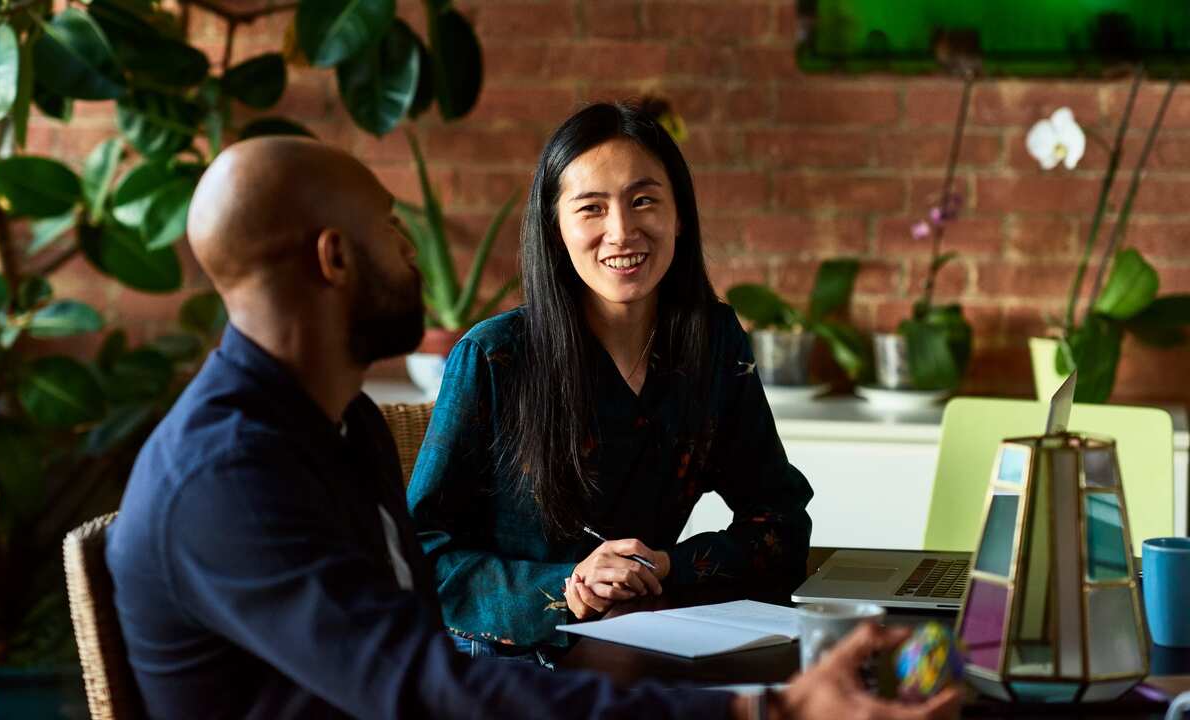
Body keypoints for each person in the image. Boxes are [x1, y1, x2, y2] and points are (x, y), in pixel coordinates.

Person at [104, 135, 959, 720]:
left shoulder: (340, 426)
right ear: (334, 257)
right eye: (393, 230)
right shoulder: (226, 481)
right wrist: (760, 710)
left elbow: (417, 662)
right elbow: (420, 684)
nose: (411, 253)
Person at [407, 102, 813, 661]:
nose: (622, 232)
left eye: (643, 200)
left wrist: (667, 565)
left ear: (680, 216)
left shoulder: (711, 340)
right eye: (591, 209)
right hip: (507, 666)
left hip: (650, 649)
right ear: (556, 230)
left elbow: (781, 523)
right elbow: (418, 557)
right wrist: (568, 585)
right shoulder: (494, 357)